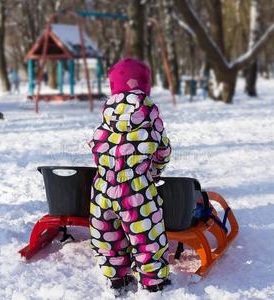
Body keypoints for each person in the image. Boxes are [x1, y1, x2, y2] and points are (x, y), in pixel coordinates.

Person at [89, 58, 172, 294]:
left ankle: (116, 280)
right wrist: (154, 169)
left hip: (102, 188)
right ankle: (154, 285)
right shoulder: (148, 112)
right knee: (147, 237)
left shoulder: (108, 113)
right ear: (145, 85)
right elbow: (163, 150)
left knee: (107, 237)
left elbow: (99, 146)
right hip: (135, 190)